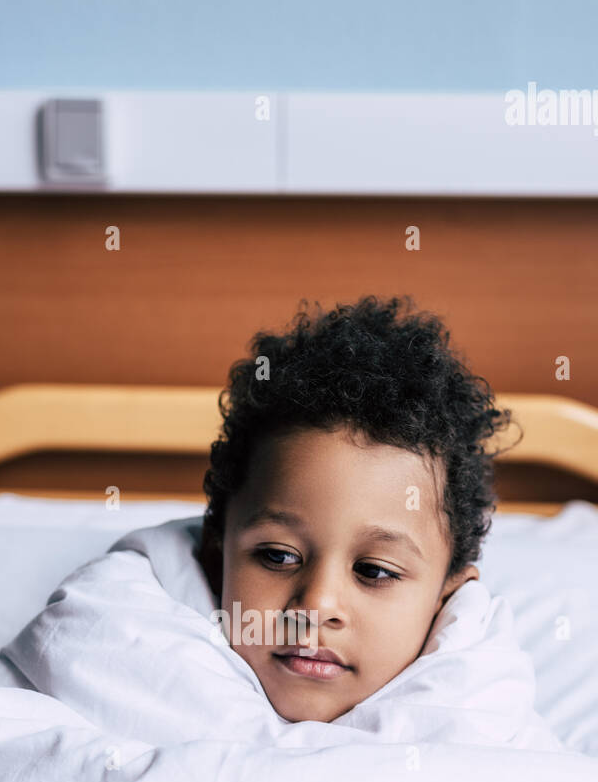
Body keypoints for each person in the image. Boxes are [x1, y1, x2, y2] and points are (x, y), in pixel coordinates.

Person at [198, 293, 512, 722]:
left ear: (445, 601)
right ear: (217, 558)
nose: (317, 605)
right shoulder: (129, 662)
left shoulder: (489, 743)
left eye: (376, 571)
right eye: (278, 555)